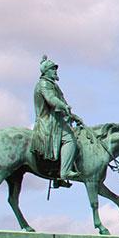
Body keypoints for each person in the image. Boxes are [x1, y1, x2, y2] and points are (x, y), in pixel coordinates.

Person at [32, 55, 83, 187]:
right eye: (53, 69)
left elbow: (61, 102)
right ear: (46, 71)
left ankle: (57, 177)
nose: (55, 71)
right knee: (70, 139)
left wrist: (73, 116)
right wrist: (64, 107)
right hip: (48, 122)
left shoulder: (52, 85)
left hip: (55, 120)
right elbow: (51, 99)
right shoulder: (44, 84)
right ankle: (65, 172)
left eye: (55, 69)